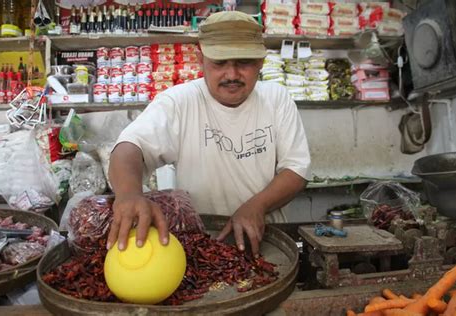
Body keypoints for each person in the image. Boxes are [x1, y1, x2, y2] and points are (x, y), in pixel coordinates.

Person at [107, 11, 311, 256]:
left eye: (243, 62)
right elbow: (129, 147)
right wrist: (129, 194)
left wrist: (257, 206)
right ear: (200, 58)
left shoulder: (277, 99)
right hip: (200, 246)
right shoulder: (179, 102)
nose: (232, 74)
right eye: (220, 63)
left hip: (266, 240)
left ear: (260, 62)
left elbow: (296, 169)